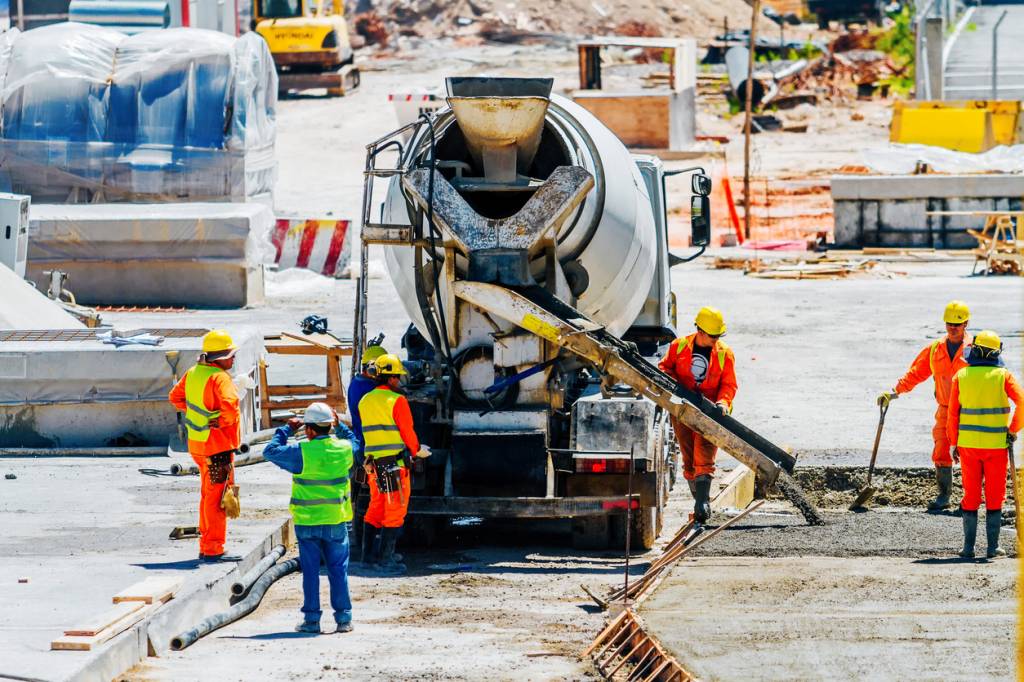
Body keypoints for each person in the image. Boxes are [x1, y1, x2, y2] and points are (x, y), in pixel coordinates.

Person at [264, 402, 359, 633]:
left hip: (307, 522)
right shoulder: (344, 449)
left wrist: (286, 429)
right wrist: (341, 427)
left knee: (311, 572)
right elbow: (356, 442)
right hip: (336, 520)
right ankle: (344, 619)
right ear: (329, 425)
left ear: (308, 430)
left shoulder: (301, 452)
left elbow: (270, 451)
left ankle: (312, 621)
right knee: (338, 570)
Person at [878, 301, 971, 511]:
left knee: (968, 454)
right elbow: (917, 372)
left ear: (966, 323)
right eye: (949, 324)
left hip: (968, 410)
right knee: (941, 450)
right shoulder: (935, 349)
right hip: (945, 409)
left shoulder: (974, 349)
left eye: (957, 324)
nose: (952, 328)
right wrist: (895, 392)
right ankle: (944, 496)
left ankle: (969, 500)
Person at [947, 331, 1023, 559]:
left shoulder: (961, 375)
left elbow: (953, 415)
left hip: (968, 446)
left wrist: (953, 443)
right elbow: (1022, 403)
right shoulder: (1004, 376)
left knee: (970, 495)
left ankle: (968, 549)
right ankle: (993, 548)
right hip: (996, 446)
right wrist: (1012, 431)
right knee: (994, 495)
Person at [658, 307, 737, 525]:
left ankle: (702, 502)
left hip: (709, 412)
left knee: (705, 453)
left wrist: (722, 403)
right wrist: (674, 389)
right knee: (688, 457)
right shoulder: (679, 346)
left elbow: (729, 385)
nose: (715, 340)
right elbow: (664, 368)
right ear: (700, 331)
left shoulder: (724, 353)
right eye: (712, 336)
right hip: (683, 409)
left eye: (718, 336)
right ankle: (698, 500)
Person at [169, 329, 242, 563]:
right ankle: (213, 549)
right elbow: (230, 407)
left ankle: (206, 543)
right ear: (221, 357)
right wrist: (219, 421)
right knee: (217, 498)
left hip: (198, 446)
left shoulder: (193, 373)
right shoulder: (220, 378)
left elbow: (175, 397)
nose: (233, 359)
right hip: (217, 447)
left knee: (207, 495)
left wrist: (199, 416)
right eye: (231, 355)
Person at [357, 353, 430, 575]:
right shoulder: (397, 401)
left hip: (373, 464)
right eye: (397, 377)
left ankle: (368, 558)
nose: (399, 381)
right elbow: (407, 432)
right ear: (390, 379)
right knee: (394, 510)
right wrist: (418, 451)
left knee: (375, 507)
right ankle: (386, 561)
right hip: (393, 466)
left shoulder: (365, 400)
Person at [346, 338, 388, 564]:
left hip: (364, 447)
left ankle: (363, 547)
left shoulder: (357, 383)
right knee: (374, 500)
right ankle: (368, 550)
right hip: (370, 449)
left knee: (367, 499)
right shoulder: (368, 388)